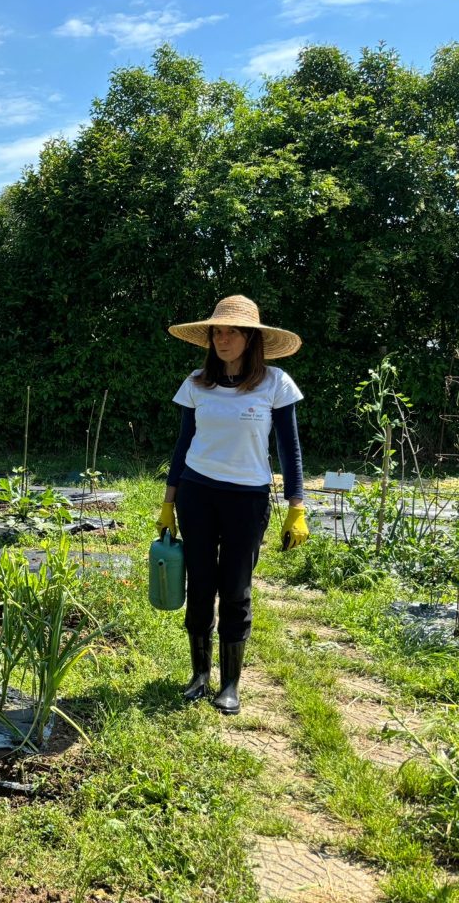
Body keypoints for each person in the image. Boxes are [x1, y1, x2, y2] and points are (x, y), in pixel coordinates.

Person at [159, 295, 310, 716]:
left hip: (247, 497)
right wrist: (168, 503)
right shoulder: (196, 382)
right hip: (196, 493)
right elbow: (183, 444)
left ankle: (230, 683)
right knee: (201, 582)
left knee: (236, 588)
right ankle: (199, 674)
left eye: (232, 331)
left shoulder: (275, 383)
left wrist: (296, 506)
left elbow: (289, 448)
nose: (222, 339)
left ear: (251, 338)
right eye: (217, 331)